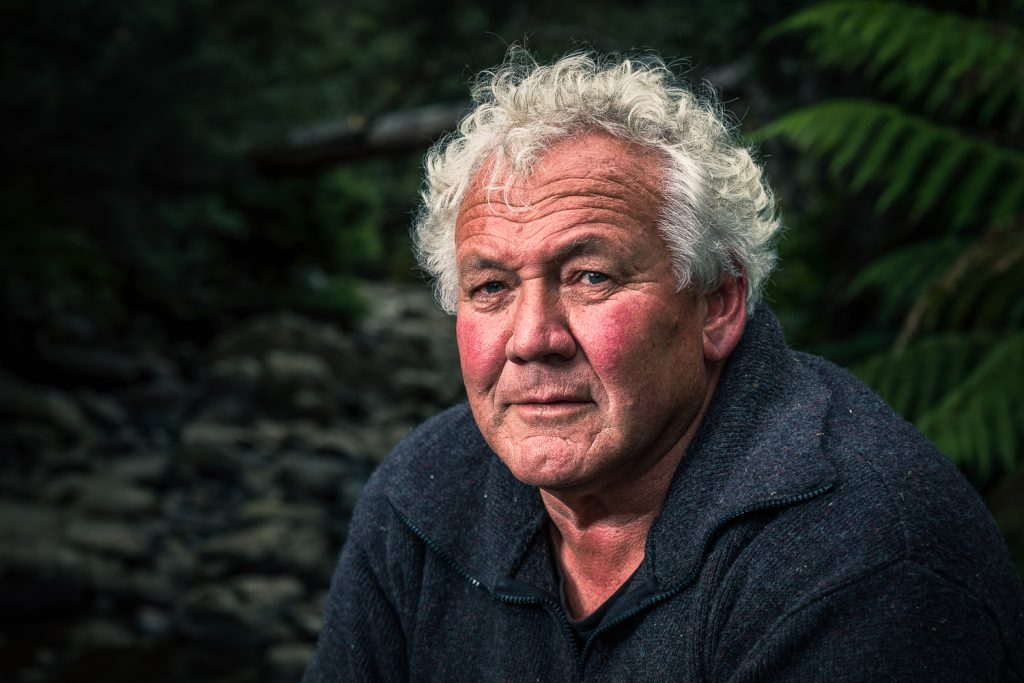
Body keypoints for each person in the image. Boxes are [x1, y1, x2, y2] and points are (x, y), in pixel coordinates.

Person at [303, 51, 1024, 681]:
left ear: (716, 303)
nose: (531, 338)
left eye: (590, 276)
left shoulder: (864, 556)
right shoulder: (425, 491)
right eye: (490, 288)